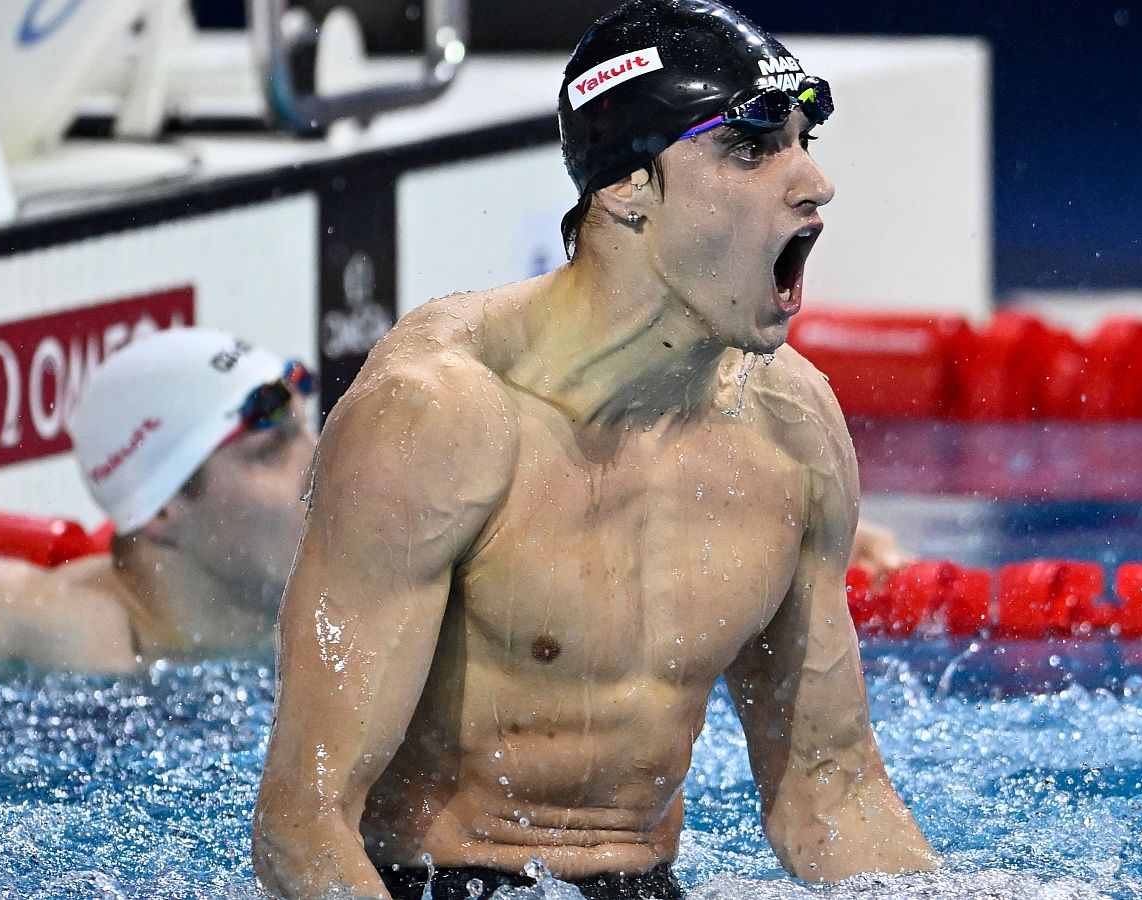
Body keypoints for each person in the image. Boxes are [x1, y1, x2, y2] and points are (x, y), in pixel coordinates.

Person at [252, 2, 940, 898]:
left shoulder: (792, 428)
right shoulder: (442, 417)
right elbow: (301, 826)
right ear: (628, 186)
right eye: (751, 147)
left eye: (804, 140)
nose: (814, 181)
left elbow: (831, 795)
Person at [0, 328, 318, 671]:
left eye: (310, 429)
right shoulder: (77, 639)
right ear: (161, 510)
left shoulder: (337, 619)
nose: (322, 463)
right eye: (270, 451)